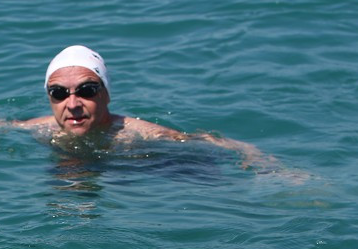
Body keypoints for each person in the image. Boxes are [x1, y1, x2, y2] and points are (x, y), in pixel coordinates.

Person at [14, 45, 272, 169]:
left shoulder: (138, 133)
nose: (72, 104)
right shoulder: (38, 128)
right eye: (59, 93)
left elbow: (207, 142)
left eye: (87, 91)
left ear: (106, 94)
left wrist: (262, 162)